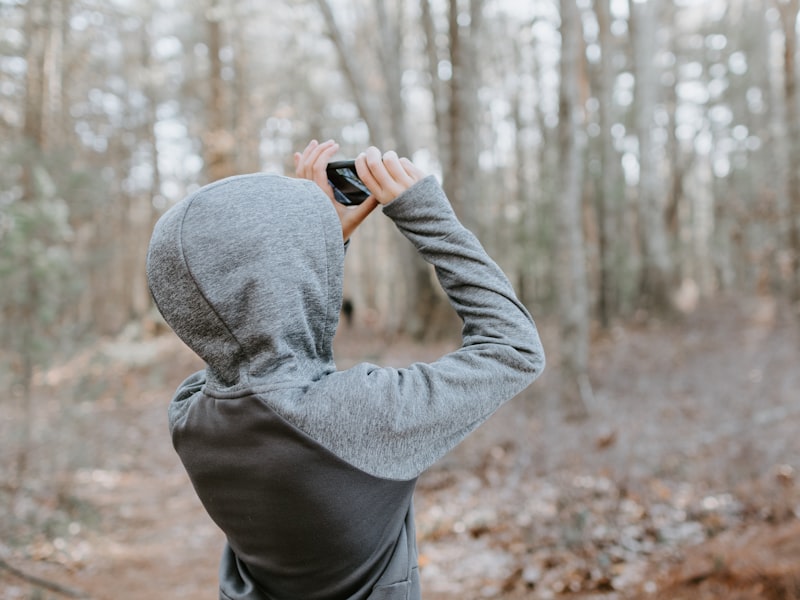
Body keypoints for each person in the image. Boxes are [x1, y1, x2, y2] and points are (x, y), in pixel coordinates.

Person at [145, 140, 545, 600]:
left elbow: (253, 345)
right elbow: (514, 347)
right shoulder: (361, 415)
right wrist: (426, 214)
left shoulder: (190, 416)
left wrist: (318, 243)